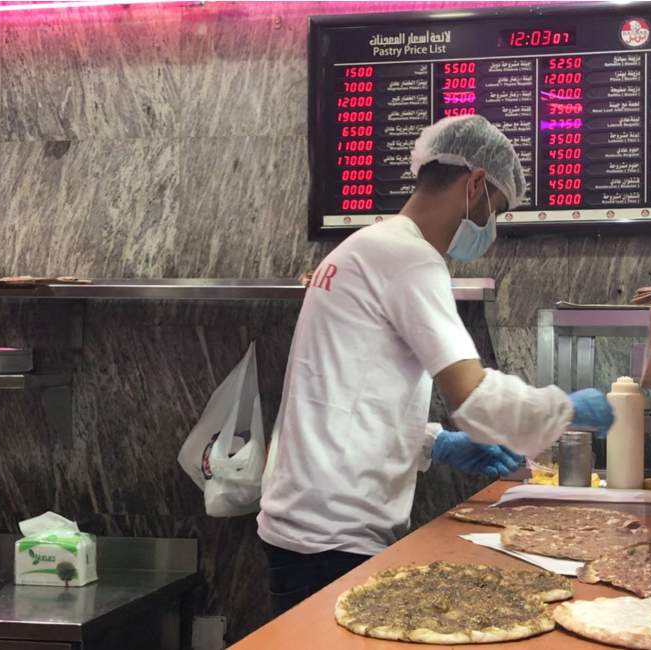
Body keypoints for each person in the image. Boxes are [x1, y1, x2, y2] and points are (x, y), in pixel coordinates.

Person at [257, 115, 614, 615]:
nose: (490, 229)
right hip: (331, 537)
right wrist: (564, 412)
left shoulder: (365, 246)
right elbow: (474, 398)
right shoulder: (410, 259)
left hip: (305, 524)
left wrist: (435, 444)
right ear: (473, 184)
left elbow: (347, 393)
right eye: (495, 210)